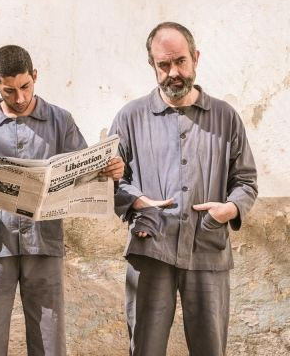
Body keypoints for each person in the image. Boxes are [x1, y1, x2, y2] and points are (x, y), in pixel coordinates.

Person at [0, 45, 124, 356]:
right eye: (9, 91)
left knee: (49, 340)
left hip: (44, 242)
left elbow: (86, 171)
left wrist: (108, 170)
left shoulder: (61, 120)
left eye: (25, 87)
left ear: (35, 76)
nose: (19, 98)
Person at [110, 22, 257, 356]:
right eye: (163, 65)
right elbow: (112, 180)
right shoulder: (130, 117)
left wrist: (229, 210)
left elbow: (246, 182)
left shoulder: (225, 117)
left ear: (195, 58)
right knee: (145, 347)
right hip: (151, 249)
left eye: (180, 61)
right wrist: (137, 202)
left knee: (210, 348)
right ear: (152, 66)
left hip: (208, 248)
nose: (173, 72)